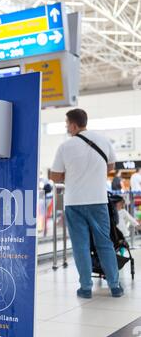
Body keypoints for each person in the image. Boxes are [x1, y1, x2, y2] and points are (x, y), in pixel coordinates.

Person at [51, 108, 124, 299]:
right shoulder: (103, 141)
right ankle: (115, 286)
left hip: (74, 202)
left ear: (74, 125)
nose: (67, 128)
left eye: (67, 124)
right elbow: (110, 166)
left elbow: (55, 176)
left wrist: (72, 175)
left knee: (80, 246)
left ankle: (85, 288)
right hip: (98, 201)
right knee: (105, 243)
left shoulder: (65, 147)